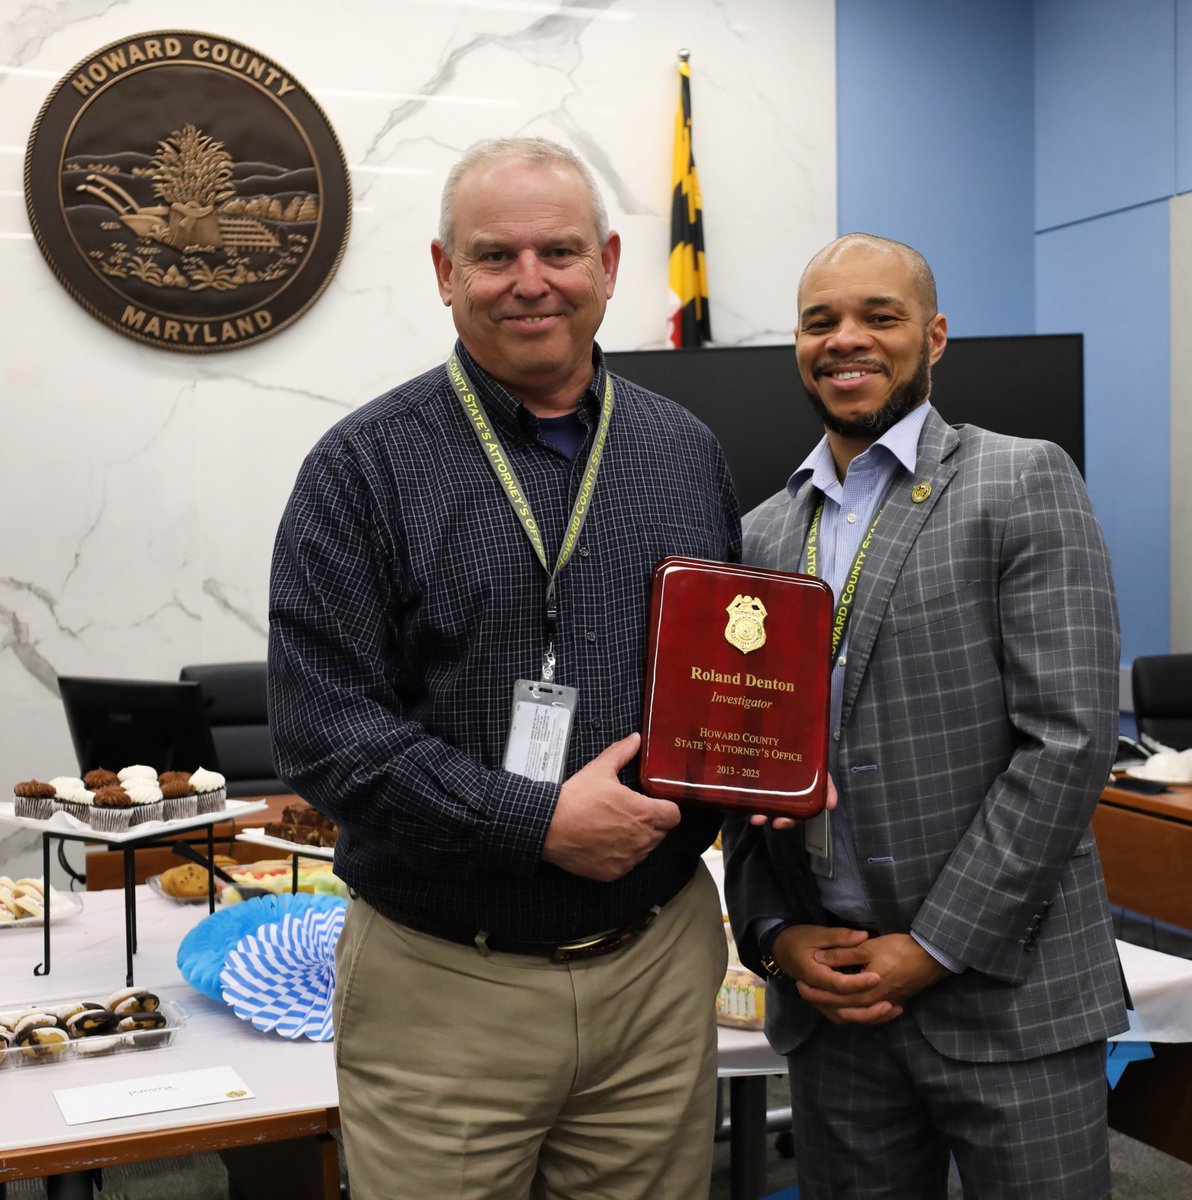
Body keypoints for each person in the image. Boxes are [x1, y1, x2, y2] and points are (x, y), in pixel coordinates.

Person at [267, 137, 740, 1200]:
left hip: (656, 975)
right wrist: (533, 823)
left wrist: (772, 768)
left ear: (610, 264)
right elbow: (321, 727)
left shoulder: (685, 451)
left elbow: (724, 677)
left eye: (561, 251)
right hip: (446, 986)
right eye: (494, 255)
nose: (532, 281)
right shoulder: (360, 469)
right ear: (444, 273)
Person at [723, 233, 1128, 1199]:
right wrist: (776, 934)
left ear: (934, 336)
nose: (847, 340)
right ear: (797, 343)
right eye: (822, 321)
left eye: (880, 316)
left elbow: (1069, 740)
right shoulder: (761, 534)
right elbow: (737, 761)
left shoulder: (1022, 480)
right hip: (837, 1007)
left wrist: (933, 947)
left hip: (1006, 996)